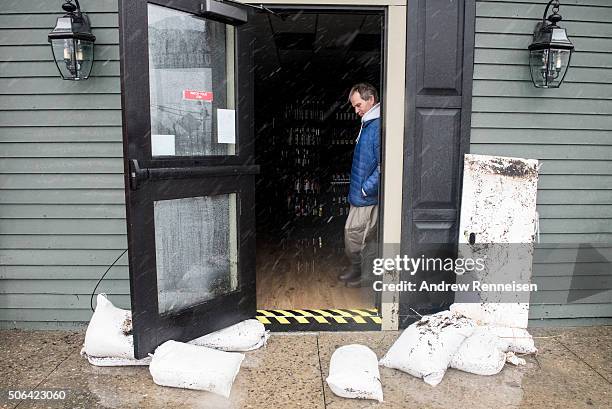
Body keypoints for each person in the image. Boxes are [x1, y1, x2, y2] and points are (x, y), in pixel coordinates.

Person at [338, 83, 380, 288]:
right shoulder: (368, 123)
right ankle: (360, 273)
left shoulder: (377, 126)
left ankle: (362, 274)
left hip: (366, 195)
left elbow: (383, 166)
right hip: (360, 194)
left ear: (371, 99)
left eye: (358, 105)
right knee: (363, 236)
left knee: (354, 234)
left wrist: (366, 188)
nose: (356, 110)